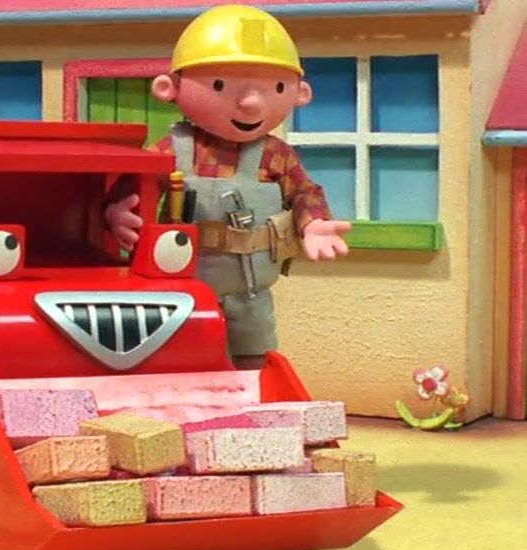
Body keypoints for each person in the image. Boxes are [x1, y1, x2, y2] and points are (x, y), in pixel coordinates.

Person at [105, 4, 351, 370]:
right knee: (183, 354)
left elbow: (304, 192)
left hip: (250, 290)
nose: (250, 103)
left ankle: (252, 395)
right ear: (169, 88)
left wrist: (313, 223)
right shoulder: (176, 149)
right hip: (182, 286)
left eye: (275, 87)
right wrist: (118, 211)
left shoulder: (276, 155)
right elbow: (138, 182)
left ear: (300, 93)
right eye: (220, 85)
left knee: (255, 355)